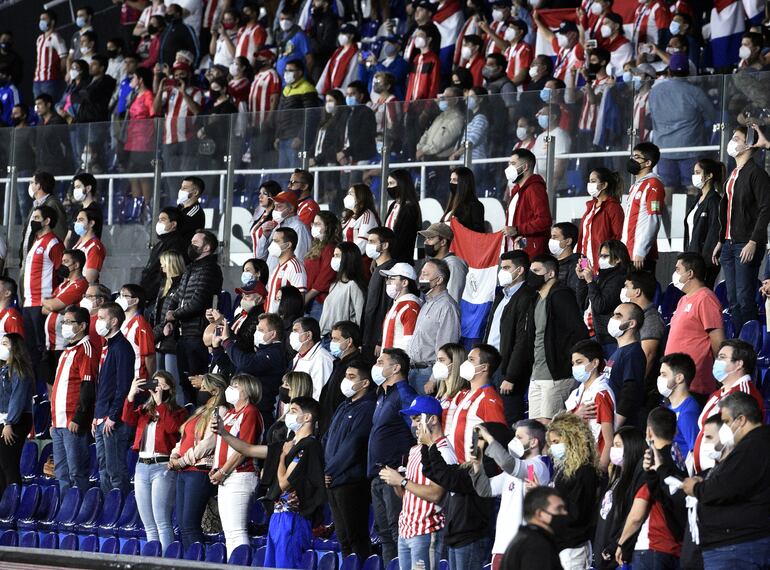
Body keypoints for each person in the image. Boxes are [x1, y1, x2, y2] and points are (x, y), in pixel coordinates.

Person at [682, 392, 770, 567]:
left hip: (737, 548)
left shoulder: (752, 446)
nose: (725, 428)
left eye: (727, 421)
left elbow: (723, 488)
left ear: (741, 420)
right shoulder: (754, 444)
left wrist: (696, 488)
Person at [378, 395, 455, 570]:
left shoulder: (444, 451)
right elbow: (406, 495)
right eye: (412, 420)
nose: (413, 425)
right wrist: (395, 481)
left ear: (433, 419)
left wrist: (402, 480)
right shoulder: (415, 450)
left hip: (426, 530)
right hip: (406, 530)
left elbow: (436, 495)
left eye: (417, 419)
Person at [470, 420, 551, 570]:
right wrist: (477, 464)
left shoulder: (537, 466)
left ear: (533, 442)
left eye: (519, 437)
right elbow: (485, 489)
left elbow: (508, 464)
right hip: (501, 548)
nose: (514, 441)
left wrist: (489, 438)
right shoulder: (512, 471)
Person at [713, 126, 770, 333]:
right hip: (729, 243)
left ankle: (750, 343)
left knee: (745, 299)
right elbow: (727, 211)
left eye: (737, 138)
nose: (732, 142)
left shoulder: (757, 173)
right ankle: (738, 341)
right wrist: (721, 240)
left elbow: (766, 208)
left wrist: (753, 241)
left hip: (746, 243)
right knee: (733, 300)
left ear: (749, 144)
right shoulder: (734, 173)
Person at [615, 407, 686, 568]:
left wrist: (621, 542)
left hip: (653, 546)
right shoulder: (680, 461)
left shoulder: (650, 461)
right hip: (677, 548)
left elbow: (638, 512)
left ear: (648, 432)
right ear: (675, 431)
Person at [123, 372, 186, 552]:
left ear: (170, 389)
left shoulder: (179, 412)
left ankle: (167, 561)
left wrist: (160, 404)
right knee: (148, 524)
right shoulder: (144, 410)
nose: (157, 388)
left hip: (162, 466)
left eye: (161, 385)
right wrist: (131, 395)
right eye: (154, 384)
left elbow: (173, 429)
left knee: (162, 521)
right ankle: (154, 559)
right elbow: (127, 419)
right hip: (142, 466)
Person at [368, 348, 418, 565]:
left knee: (397, 531)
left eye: (381, 362)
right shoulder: (382, 394)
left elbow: (417, 430)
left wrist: (405, 468)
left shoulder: (404, 393)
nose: (376, 366)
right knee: (385, 534)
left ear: (396, 368)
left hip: (394, 474)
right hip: (378, 473)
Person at [323, 358, 376, 560]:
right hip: (333, 480)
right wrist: (323, 470)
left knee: (356, 537)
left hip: (351, 482)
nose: (346, 380)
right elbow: (327, 438)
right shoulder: (344, 405)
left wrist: (329, 471)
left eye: (351, 377)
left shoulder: (368, 408)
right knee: (343, 538)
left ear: (365, 383)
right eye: (345, 376)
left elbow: (353, 446)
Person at [263, 397, 326, 568]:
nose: (288, 415)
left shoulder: (309, 445)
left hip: (293, 518)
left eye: (293, 411)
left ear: (307, 417)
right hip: (278, 515)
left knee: (287, 565)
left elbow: (284, 483)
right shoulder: (290, 444)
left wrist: (282, 456)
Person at [168, 374, 228, 549]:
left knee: (190, 525)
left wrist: (182, 461)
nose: (200, 392)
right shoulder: (200, 411)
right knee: (182, 525)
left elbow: (209, 443)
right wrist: (174, 455)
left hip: (199, 471)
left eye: (203, 388)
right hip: (184, 470)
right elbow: (183, 439)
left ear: (215, 391)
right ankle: (191, 558)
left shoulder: (221, 411)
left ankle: (198, 560)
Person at [527, 254, 589, 423]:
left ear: (551, 274)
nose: (531, 275)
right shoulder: (536, 298)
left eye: (536, 271)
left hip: (556, 375)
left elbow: (578, 331)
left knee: (551, 427)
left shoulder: (561, 295)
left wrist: (565, 363)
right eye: (531, 270)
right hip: (536, 374)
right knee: (534, 429)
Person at [692, 339, 764, 474]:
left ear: (739, 364)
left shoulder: (744, 394)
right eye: (717, 357)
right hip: (706, 474)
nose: (717, 361)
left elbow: (741, 440)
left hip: (725, 474)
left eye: (722, 357)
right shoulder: (718, 393)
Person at [211, 373, 264, 556]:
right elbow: (222, 445)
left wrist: (223, 471)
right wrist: (216, 469)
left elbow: (245, 448)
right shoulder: (230, 413)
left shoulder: (251, 412)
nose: (230, 389)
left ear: (247, 391)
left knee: (237, 531)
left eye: (236, 386)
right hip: (226, 476)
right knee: (229, 533)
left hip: (241, 474)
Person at [484, 251, 536, 424]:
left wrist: (511, 376)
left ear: (520, 270)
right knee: (491, 418)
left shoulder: (526, 296)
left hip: (506, 368)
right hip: (490, 364)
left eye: (506, 268)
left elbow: (522, 340)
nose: (502, 272)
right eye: (501, 267)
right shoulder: (501, 295)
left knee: (509, 419)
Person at [171, 230, 223, 402]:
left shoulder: (211, 269)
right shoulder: (190, 268)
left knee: (197, 383)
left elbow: (198, 301)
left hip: (198, 334)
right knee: (184, 383)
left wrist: (174, 315)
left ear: (207, 247)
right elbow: (177, 296)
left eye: (195, 243)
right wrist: (170, 314)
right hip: (183, 333)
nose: (191, 246)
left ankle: (199, 414)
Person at [665, 253, 725, 396]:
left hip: (695, 382)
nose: (675, 274)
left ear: (690, 273)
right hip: (675, 380)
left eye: (678, 269)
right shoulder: (683, 300)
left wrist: (720, 374)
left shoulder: (706, 298)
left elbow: (718, 340)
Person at [50, 306, 96, 492]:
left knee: (76, 472)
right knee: (61, 472)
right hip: (58, 423)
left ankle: (81, 506)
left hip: (72, 422)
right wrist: (53, 420)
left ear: (82, 325)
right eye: (64, 322)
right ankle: (66, 507)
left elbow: (88, 387)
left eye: (69, 322)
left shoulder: (86, 349)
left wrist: (78, 417)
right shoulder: (66, 351)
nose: (65, 325)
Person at [546, 412, 600, 568]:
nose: (553, 447)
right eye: (551, 443)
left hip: (573, 548)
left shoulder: (584, 470)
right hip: (559, 546)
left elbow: (576, 513)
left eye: (556, 441)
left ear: (571, 438)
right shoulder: (562, 469)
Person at [92, 302, 134, 495]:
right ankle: (108, 507)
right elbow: (104, 386)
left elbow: (123, 386)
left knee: (115, 470)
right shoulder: (108, 346)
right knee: (103, 469)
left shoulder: (122, 348)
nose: (98, 321)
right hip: (102, 417)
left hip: (113, 420)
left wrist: (113, 416)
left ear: (114, 321)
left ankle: (119, 507)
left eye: (102, 318)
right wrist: (96, 416)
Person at [218, 312, 286, 428]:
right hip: (246, 410)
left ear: (273, 334)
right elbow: (236, 365)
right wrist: (217, 349)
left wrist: (227, 341)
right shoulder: (261, 351)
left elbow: (246, 364)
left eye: (260, 330)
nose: (256, 333)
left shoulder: (275, 353)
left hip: (259, 413)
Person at [593, 427, 647, 569]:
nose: (613, 450)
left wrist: (614, 545)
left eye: (618, 445)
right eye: (613, 445)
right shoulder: (616, 478)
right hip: (601, 555)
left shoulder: (635, 482)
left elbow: (631, 518)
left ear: (631, 447)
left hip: (617, 558)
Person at [22, 205, 64, 391]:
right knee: (30, 351)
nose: (33, 221)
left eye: (37, 217)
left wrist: (54, 302)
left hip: (42, 304)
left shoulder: (53, 243)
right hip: (29, 303)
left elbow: (62, 273)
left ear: (47, 221)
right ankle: (35, 394)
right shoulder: (36, 241)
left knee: (42, 351)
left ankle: (47, 393)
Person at [445, 345, 506, 463]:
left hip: (473, 468)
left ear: (484, 367)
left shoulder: (489, 398)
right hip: (457, 466)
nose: (465, 363)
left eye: (471, 360)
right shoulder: (466, 394)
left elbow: (498, 437)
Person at [408, 259, 461, 393]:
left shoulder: (447, 307)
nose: (421, 278)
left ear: (439, 280)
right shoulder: (426, 303)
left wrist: (433, 379)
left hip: (428, 374)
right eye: (421, 274)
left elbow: (446, 347)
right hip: (413, 371)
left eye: (425, 274)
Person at [567, 340, 615, 471]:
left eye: (579, 362)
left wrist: (600, 471)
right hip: (578, 460)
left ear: (595, 363)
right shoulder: (577, 392)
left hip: (594, 464)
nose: (575, 367)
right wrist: (575, 416)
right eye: (573, 363)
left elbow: (608, 440)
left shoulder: (601, 394)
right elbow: (563, 425)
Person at [577, 240, 631, 355]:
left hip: (610, 338)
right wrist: (582, 279)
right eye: (600, 256)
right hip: (595, 335)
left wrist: (590, 281)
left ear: (618, 259)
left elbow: (601, 306)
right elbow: (582, 303)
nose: (601, 259)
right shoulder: (600, 276)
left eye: (605, 256)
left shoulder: (619, 279)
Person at [41, 249, 88, 374]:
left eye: (66, 262)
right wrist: (56, 307)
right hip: (50, 343)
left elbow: (52, 305)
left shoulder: (80, 285)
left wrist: (48, 302)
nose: (62, 265)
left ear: (76, 265)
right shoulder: (63, 285)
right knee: (49, 379)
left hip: (63, 343)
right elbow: (44, 309)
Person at [501, 486, 568, 570]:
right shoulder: (537, 546)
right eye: (559, 509)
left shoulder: (523, 538)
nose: (565, 513)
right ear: (540, 514)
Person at [621, 142, 665, 271]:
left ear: (648, 163)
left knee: (639, 285)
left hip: (639, 257)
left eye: (636, 157)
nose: (632, 160)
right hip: (627, 253)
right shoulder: (635, 186)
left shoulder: (653, 184)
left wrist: (641, 251)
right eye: (632, 156)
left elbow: (654, 219)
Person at [0, 334, 34, 499]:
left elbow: (17, 398)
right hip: (4, 420)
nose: (1, 346)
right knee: (2, 464)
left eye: (5, 343)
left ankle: (13, 503)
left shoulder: (19, 370)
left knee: (9, 463)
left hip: (16, 421)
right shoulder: (4, 369)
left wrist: (9, 423)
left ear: (15, 348)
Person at [604, 303, 647, 428]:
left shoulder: (633, 353)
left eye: (618, 316)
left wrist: (615, 426)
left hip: (622, 427)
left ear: (631, 323)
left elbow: (630, 391)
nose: (612, 319)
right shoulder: (618, 352)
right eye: (613, 315)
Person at [503, 148, 552, 257]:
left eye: (513, 164)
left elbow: (544, 220)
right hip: (518, 251)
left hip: (531, 255)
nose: (509, 168)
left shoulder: (534, 189)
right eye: (509, 164)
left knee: (584, 264)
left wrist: (517, 230)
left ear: (525, 167)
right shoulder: (517, 190)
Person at [152, 251, 185, 403]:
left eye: (164, 263)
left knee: (174, 384)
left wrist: (159, 332)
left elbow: (174, 315)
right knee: (158, 383)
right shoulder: (165, 285)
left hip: (172, 341)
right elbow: (158, 314)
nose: (162, 267)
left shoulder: (180, 286)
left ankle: (178, 412)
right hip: (160, 340)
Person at [622, 270, 666, 382]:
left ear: (637, 292)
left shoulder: (651, 319)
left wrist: (634, 385)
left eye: (627, 286)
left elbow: (648, 355)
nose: (624, 291)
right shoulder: (637, 316)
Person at [275, 59, 318, 174]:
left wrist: (300, 137)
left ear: (300, 72)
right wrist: (278, 135)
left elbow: (311, 116)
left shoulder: (307, 88)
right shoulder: (286, 89)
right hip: (283, 138)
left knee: (295, 173)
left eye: (290, 70)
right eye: (286, 70)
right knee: (283, 174)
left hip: (295, 138)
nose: (286, 73)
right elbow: (281, 115)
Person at [319, 321, 362, 434]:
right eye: (332, 339)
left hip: (339, 426)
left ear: (349, 341)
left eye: (336, 339)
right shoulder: (338, 363)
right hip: (329, 424)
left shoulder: (357, 366)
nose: (332, 343)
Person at [685, 159, 722, 288]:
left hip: (703, 262)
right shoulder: (698, 199)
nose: (694, 176)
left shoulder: (714, 201)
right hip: (691, 257)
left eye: (698, 172)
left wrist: (704, 262)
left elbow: (714, 232)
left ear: (709, 175)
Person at [140, 208, 188, 308]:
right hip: (150, 296)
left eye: (163, 219)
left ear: (173, 224)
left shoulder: (176, 244)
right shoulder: (160, 244)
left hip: (159, 297)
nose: (159, 223)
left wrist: (152, 293)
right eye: (159, 220)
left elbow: (168, 274)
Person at [578, 168, 624, 270]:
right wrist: (583, 267)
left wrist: (608, 263)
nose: (589, 184)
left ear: (604, 185)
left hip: (604, 266)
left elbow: (618, 237)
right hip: (587, 266)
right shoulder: (591, 207)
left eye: (593, 181)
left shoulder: (613, 207)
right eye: (589, 181)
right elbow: (585, 241)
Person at [361, 227, 397, 358]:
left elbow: (388, 306)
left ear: (385, 245)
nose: (368, 245)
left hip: (376, 340)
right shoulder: (378, 268)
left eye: (372, 241)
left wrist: (380, 340)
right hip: (369, 337)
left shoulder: (390, 270)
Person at [658, 353, 701, 458]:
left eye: (664, 374)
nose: (659, 378)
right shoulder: (669, 407)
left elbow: (695, 453)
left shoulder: (688, 413)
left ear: (679, 378)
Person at [319, 242, 366, 336]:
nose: (333, 259)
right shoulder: (334, 285)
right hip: (327, 336)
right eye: (334, 255)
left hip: (342, 338)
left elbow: (360, 317)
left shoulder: (353, 285)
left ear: (348, 258)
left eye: (337, 255)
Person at [417, 223, 468, 304]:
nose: (425, 242)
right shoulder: (430, 263)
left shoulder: (454, 264)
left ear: (443, 242)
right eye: (426, 238)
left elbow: (452, 299)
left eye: (430, 238)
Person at [22, 172, 67, 259]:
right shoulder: (36, 205)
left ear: (38, 186)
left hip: (43, 261)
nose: (30, 185)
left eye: (32, 182)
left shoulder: (52, 204)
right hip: (31, 260)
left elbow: (60, 234)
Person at [266, 191, 312, 273]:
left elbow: (298, 259)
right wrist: (264, 235)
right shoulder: (279, 225)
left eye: (279, 206)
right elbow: (263, 255)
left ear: (291, 209)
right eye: (274, 206)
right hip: (274, 277)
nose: (275, 210)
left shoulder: (299, 228)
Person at [117, 284, 156, 382]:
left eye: (125, 296)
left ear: (135, 300)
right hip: (121, 376)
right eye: (120, 295)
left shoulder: (140, 324)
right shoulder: (119, 321)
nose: (120, 298)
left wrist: (151, 380)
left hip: (137, 378)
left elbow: (149, 356)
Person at [380, 263, 421, 352]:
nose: (387, 282)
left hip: (398, 359)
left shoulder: (410, 306)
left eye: (392, 279)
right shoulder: (397, 304)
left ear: (404, 282)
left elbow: (409, 342)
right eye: (387, 278)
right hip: (389, 359)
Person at [290, 317, 334, 400]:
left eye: (296, 331)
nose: (292, 334)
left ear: (309, 335)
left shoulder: (322, 360)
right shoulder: (299, 355)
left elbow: (318, 395)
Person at [384, 170, 422, 264]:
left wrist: (388, 258)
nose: (388, 187)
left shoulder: (410, 208)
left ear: (402, 184)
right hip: (387, 258)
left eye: (391, 183)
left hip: (400, 261)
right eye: (388, 184)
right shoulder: (393, 205)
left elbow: (403, 239)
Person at [34, 9, 67, 101]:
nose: (41, 21)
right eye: (40, 19)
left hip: (50, 80)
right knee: (39, 107)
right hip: (37, 80)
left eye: (44, 19)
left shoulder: (56, 37)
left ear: (52, 22)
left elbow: (64, 57)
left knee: (50, 104)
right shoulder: (39, 38)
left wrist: (59, 73)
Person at [441, 167, 484, 233]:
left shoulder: (475, 206)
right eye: (451, 179)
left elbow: (478, 233)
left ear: (463, 183)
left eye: (454, 180)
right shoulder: (452, 204)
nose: (451, 182)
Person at [341, 184, 380, 256]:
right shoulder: (350, 216)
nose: (347, 196)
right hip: (347, 258)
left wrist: (347, 257)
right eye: (348, 193)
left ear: (360, 196)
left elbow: (362, 244)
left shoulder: (367, 216)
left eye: (351, 194)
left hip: (358, 260)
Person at [549, 223, 583, 302]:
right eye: (551, 237)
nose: (551, 240)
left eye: (555, 237)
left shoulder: (582, 261)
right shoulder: (550, 262)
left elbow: (579, 292)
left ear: (568, 241)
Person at [72, 208, 105, 285]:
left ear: (91, 223)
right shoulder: (78, 245)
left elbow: (90, 279)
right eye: (76, 220)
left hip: (82, 290)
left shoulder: (95, 247)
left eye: (81, 220)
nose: (77, 223)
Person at [175, 177, 206, 243]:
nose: (180, 190)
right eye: (181, 187)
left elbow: (173, 229)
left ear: (195, 192)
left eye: (184, 188)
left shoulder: (195, 212)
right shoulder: (180, 207)